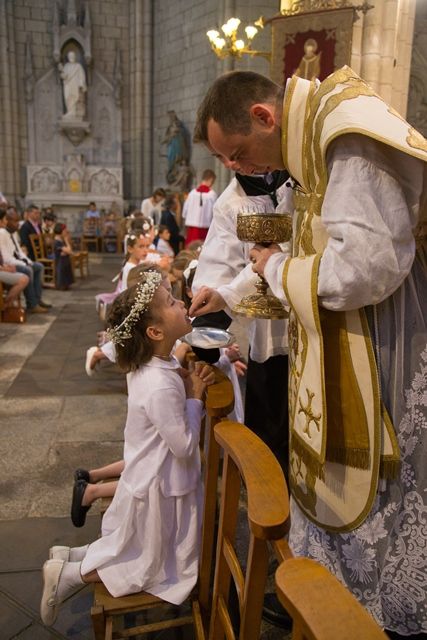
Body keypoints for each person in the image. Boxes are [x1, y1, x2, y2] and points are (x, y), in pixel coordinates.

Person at [192, 68, 427, 637]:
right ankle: (336, 592)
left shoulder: (344, 132)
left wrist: (274, 267)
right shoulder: (310, 144)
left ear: (265, 118)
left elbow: (363, 268)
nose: (238, 168)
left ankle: (373, 605)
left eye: (239, 152)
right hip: (326, 338)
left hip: (378, 339)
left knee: (388, 477)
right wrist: (237, 286)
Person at [40, 271, 214, 626]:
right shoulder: (160, 384)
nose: (181, 302)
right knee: (146, 564)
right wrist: (195, 397)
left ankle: (72, 556)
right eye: (171, 301)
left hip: (150, 476)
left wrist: (182, 378)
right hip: (161, 486)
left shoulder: (153, 366)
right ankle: (69, 575)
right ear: (155, 332)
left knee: (130, 545)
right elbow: (182, 445)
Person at [0, 207, 51, 313]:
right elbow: (6, 257)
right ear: (7, 221)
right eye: (15, 221)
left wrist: (28, 261)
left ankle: (37, 299)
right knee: (28, 270)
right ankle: (31, 304)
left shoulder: (13, 232)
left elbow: (19, 252)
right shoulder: (2, 233)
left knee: (38, 266)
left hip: (14, 261)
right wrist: (24, 264)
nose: (18, 224)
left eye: (18, 221)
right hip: (8, 263)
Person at [182, 169, 217, 246]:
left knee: (190, 248)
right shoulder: (212, 195)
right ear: (211, 179)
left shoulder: (192, 193)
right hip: (205, 229)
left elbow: (184, 212)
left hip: (192, 228)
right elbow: (215, 212)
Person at [58, 51, 87, 119]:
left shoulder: (78, 66)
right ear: (68, 57)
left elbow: (82, 76)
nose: (71, 57)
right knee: (67, 97)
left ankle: (73, 112)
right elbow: (64, 76)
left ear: (75, 57)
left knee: (74, 97)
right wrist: (61, 70)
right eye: (70, 56)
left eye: (72, 56)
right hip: (68, 85)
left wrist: (81, 84)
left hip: (75, 85)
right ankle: (69, 111)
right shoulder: (66, 66)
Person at [53, 223, 74, 291]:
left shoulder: (61, 240)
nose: (66, 231)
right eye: (65, 230)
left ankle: (66, 283)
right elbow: (69, 250)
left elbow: (68, 250)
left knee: (66, 259)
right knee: (63, 261)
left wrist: (67, 251)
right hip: (59, 260)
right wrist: (66, 240)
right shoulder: (57, 242)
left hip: (64, 258)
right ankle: (61, 284)